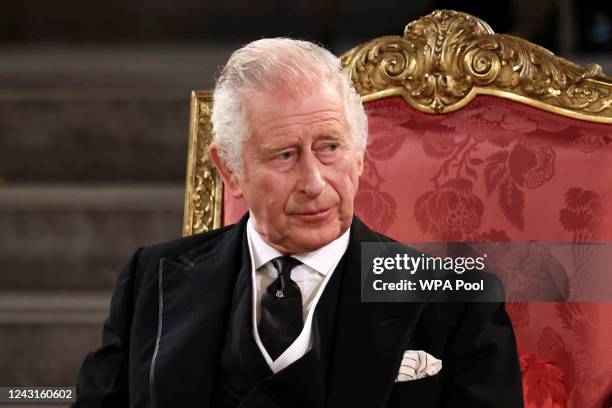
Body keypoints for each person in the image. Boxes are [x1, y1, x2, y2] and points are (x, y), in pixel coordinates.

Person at [73, 38, 523, 408]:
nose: (314, 182)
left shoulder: (459, 302)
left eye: (330, 147)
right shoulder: (150, 281)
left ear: (361, 155)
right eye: (284, 155)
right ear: (230, 170)